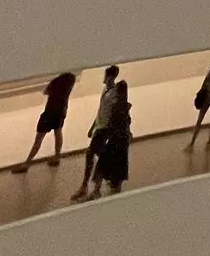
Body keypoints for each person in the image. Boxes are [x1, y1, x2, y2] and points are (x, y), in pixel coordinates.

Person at [73, 67, 122, 198]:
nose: (104, 78)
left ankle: (93, 188)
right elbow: (101, 110)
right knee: (96, 156)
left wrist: (111, 132)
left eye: (106, 75)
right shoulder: (105, 90)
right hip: (100, 128)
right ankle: (94, 186)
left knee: (94, 155)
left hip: (105, 129)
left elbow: (113, 114)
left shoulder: (115, 94)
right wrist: (92, 127)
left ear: (111, 77)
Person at [13, 70, 76, 172]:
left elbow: (46, 91)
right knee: (58, 132)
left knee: (38, 140)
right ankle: (57, 157)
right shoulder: (70, 80)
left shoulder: (56, 82)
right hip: (61, 112)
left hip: (49, 113)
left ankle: (26, 164)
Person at [90, 81, 132, 194]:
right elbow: (127, 124)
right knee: (120, 164)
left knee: (102, 164)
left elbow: (112, 123)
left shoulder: (116, 107)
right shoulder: (125, 106)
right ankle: (115, 185)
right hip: (123, 141)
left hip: (115, 140)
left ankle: (96, 190)